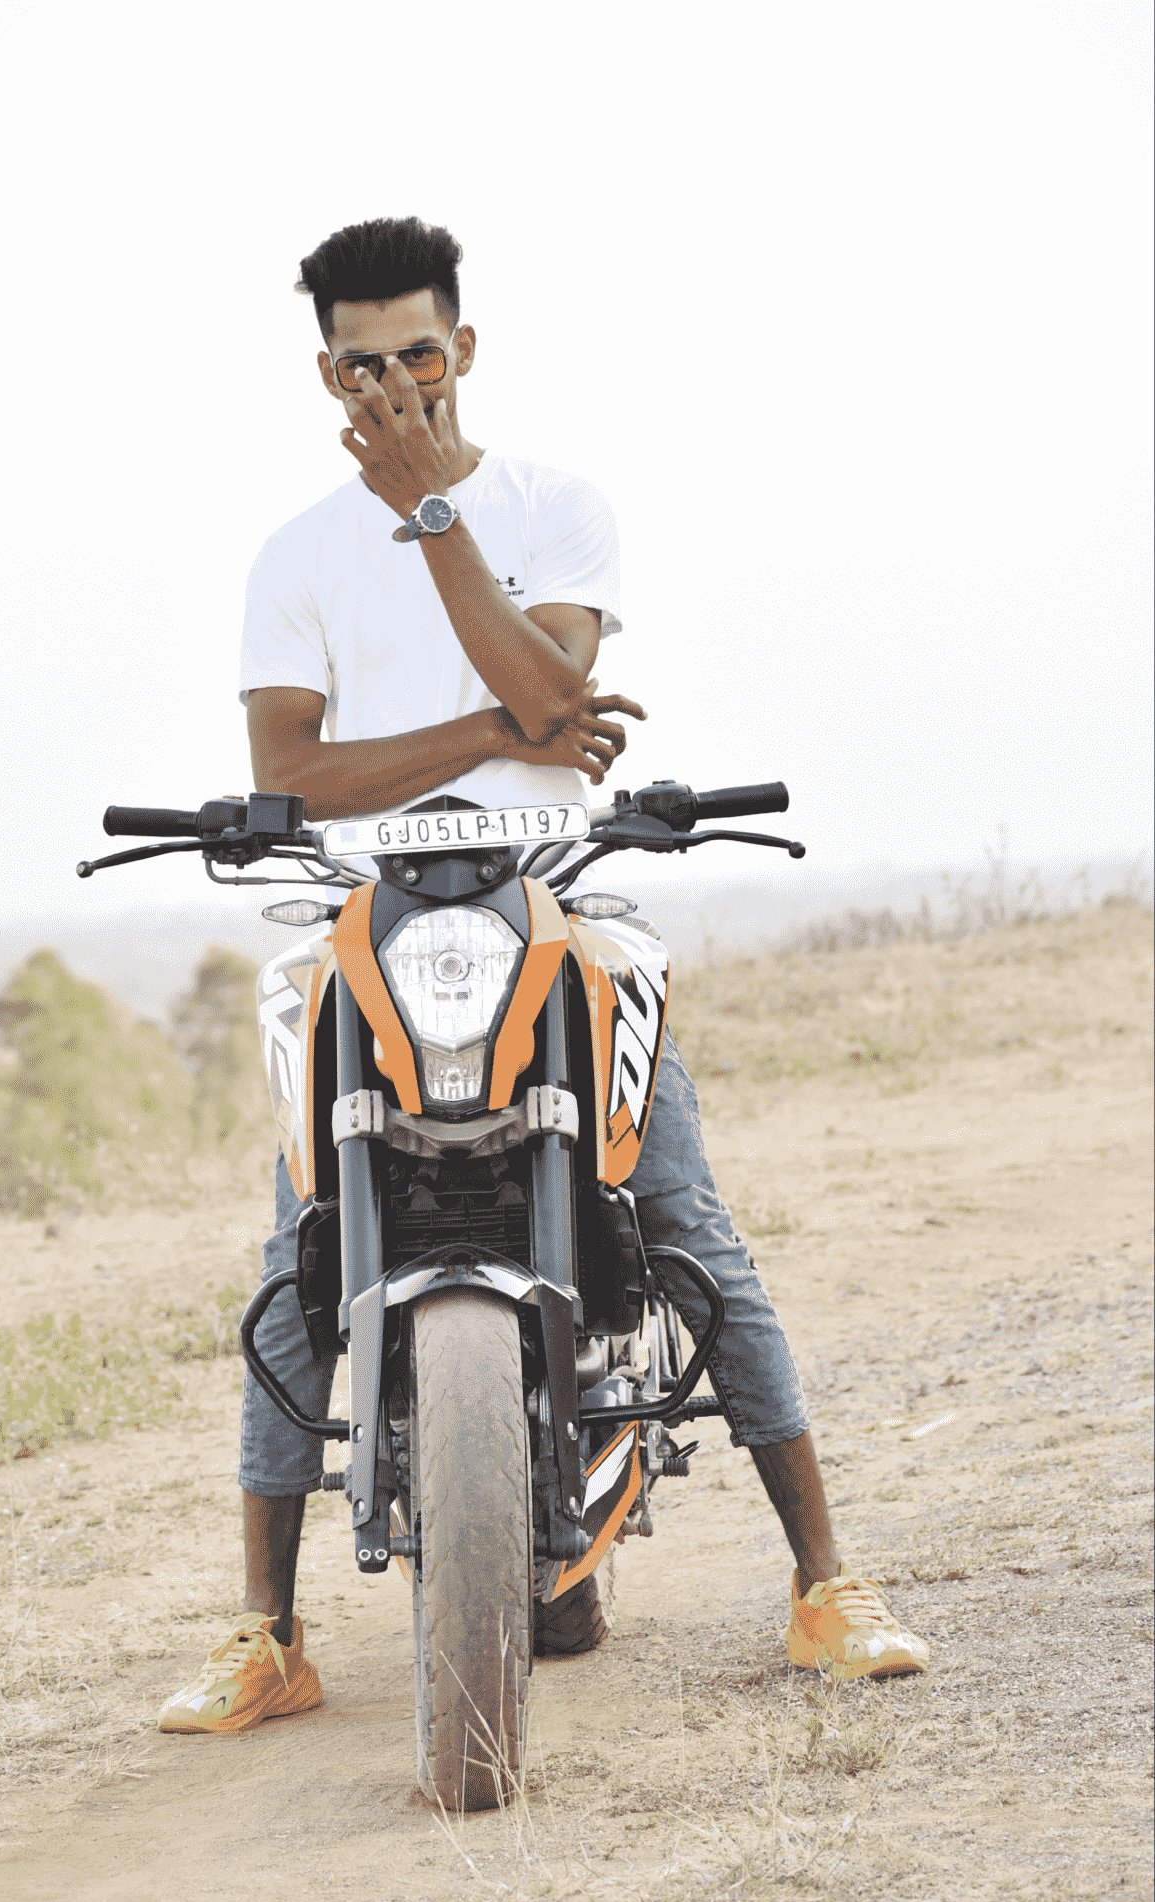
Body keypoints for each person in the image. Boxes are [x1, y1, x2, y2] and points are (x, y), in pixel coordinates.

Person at [157, 217, 928, 1738]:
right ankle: (268, 1631)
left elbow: (559, 693)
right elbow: (294, 772)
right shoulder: (295, 553)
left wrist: (430, 513)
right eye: (364, 366)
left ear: (465, 347)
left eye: (419, 355)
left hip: (553, 902)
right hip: (369, 912)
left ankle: (826, 1581)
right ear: (326, 373)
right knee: (299, 1244)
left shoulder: (552, 504)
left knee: (684, 1217)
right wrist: (490, 736)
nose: (397, 387)